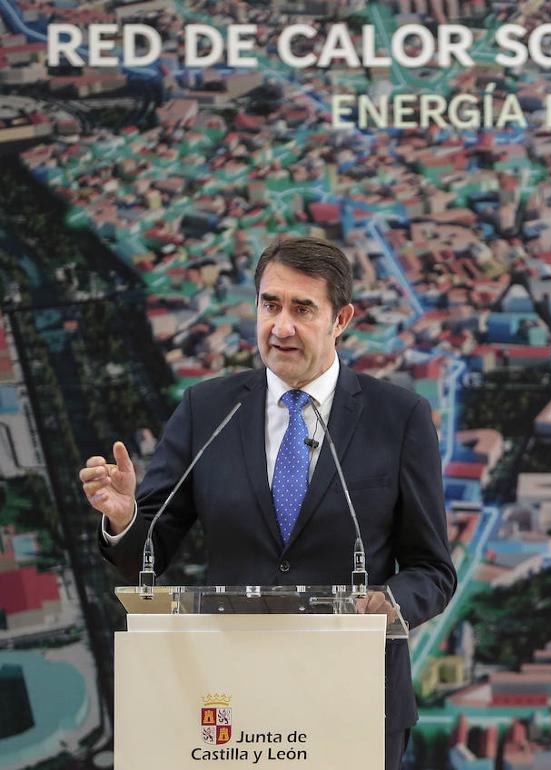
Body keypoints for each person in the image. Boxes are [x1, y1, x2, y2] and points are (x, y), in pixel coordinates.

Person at [80, 236, 456, 769]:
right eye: (270, 304)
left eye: (303, 309)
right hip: (232, 705)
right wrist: (123, 519)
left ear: (340, 319)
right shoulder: (206, 409)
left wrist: (390, 603)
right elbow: (152, 548)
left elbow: (432, 570)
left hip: (355, 701)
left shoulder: (398, 419)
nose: (280, 326)